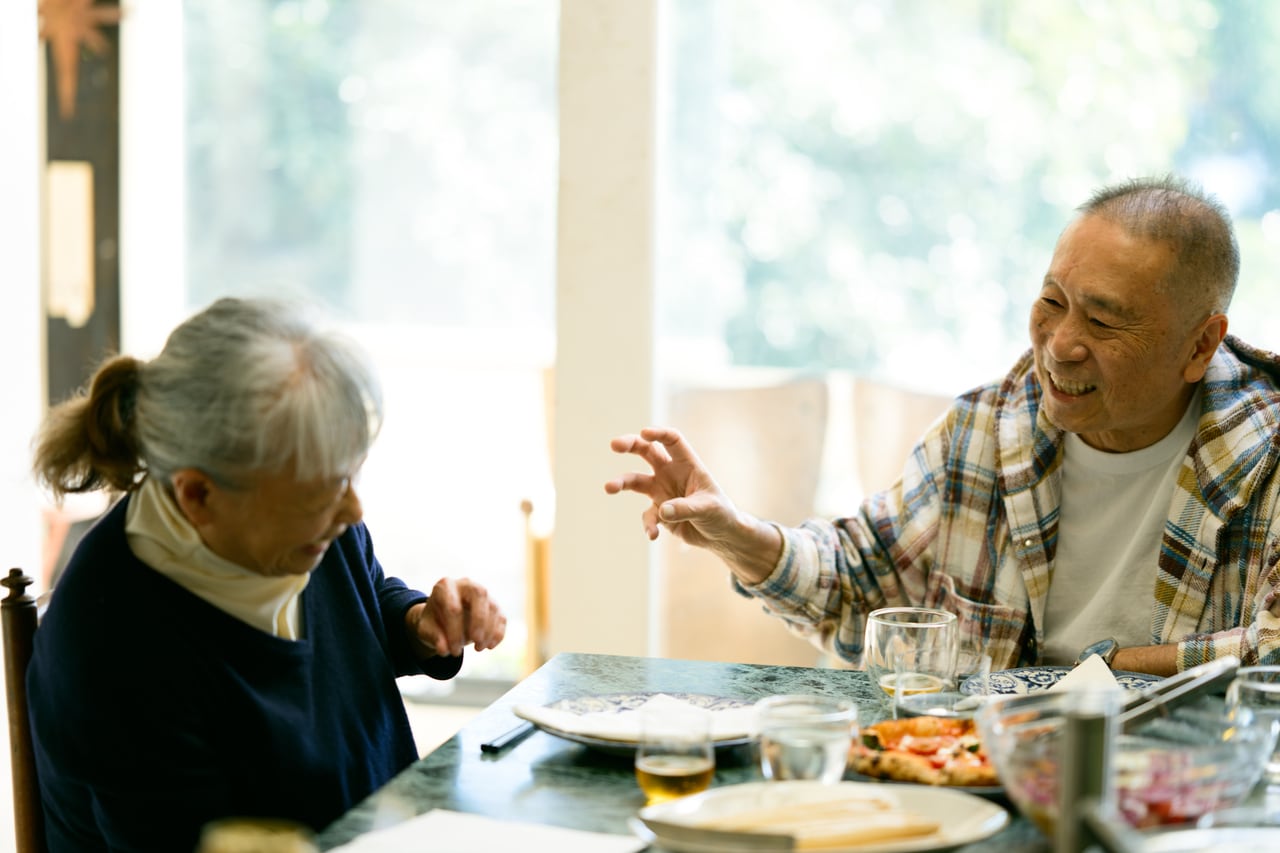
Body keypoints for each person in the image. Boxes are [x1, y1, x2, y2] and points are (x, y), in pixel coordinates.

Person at [607, 175, 1280, 679]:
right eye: (1052, 301)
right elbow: (859, 582)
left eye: (1102, 321)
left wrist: (1099, 671)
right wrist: (736, 535)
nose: (1060, 344)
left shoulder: (1268, 457)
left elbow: (1272, 652)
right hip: (983, 779)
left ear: (1200, 344)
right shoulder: (984, 432)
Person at [27, 297, 507, 851]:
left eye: (348, 476)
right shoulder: (113, 644)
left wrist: (420, 624)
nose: (352, 510)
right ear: (198, 494)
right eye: (323, 490)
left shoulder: (306, 520)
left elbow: (360, 605)